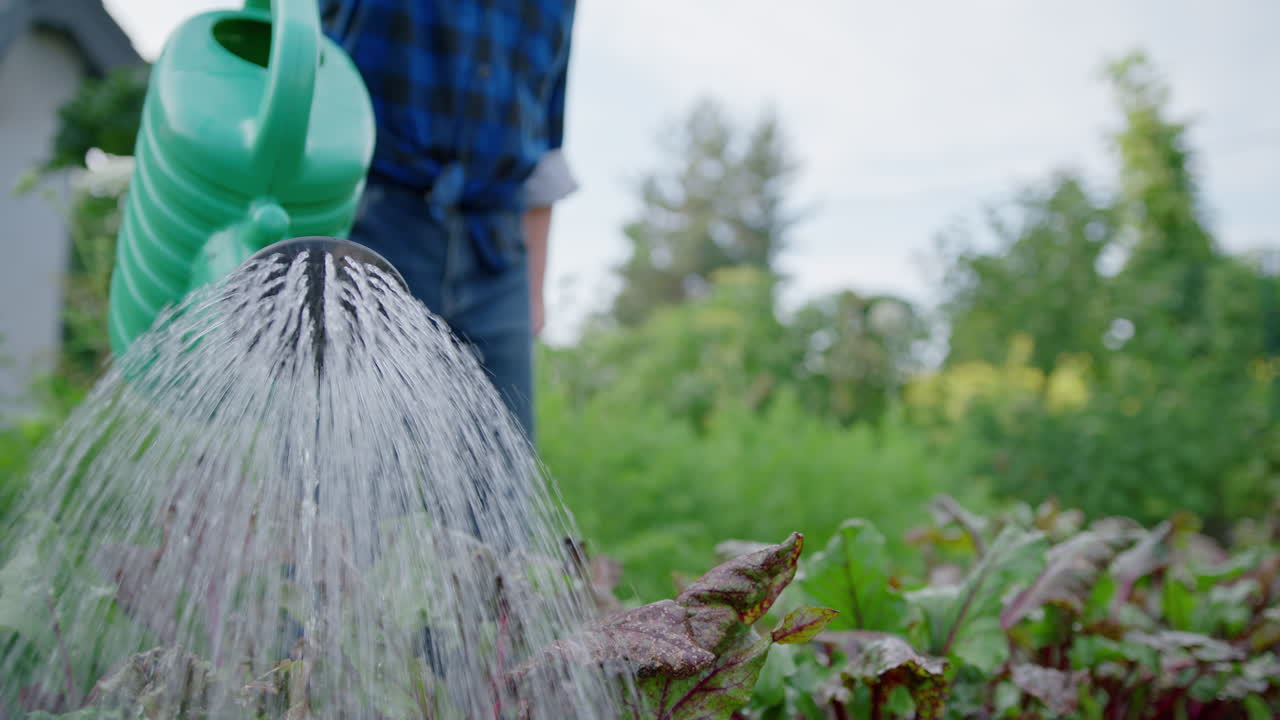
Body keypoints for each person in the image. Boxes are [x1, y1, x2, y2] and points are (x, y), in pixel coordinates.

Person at [320, 0, 579, 442]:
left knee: (502, 491)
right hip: (370, 225)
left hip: (497, 252)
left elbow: (546, 144)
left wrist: (534, 294)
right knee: (344, 465)